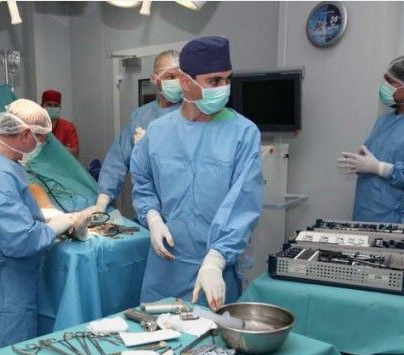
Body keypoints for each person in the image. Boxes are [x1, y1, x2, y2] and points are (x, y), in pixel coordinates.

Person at [131, 36, 263, 310]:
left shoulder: (243, 133)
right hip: (165, 269)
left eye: (227, 79)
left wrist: (216, 260)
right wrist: (152, 217)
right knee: (158, 335)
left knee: (211, 336)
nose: (224, 88)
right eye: (214, 81)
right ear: (185, 82)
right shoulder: (158, 131)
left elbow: (243, 203)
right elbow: (143, 179)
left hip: (214, 272)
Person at [0, 99, 84, 354]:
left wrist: (35, 213)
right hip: (5, 283)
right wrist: (61, 223)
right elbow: (21, 240)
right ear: (25, 134)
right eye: (40, 138)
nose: (42, 144)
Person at [337, 54, 404, 355]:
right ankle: (369, 352)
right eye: (385, 78)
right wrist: (362, 163)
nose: (385, 86)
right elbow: (375, 156)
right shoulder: (386, 119)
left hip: (402, 222)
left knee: (396, 299)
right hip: (370, 216)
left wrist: (380, 168)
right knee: (369, 292)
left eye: (392, 82)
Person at [95, 50, 183, 212]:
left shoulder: (191, 114)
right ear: (155, 79)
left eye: (181, 76)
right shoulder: (141, 116)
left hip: (181, 208)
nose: (177, 82)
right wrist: (102, 200)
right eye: (170, 76)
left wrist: (153, 146)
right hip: (146, 208)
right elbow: (117, 159)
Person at [41, 89, 80, 157]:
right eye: (49, 105)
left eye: (56, 105)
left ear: (60, 108)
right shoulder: (35, 126)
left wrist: (51, 148)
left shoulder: (68, 127)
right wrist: (64, 149)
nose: (52, 108)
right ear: (42, 106)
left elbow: (75, 151)